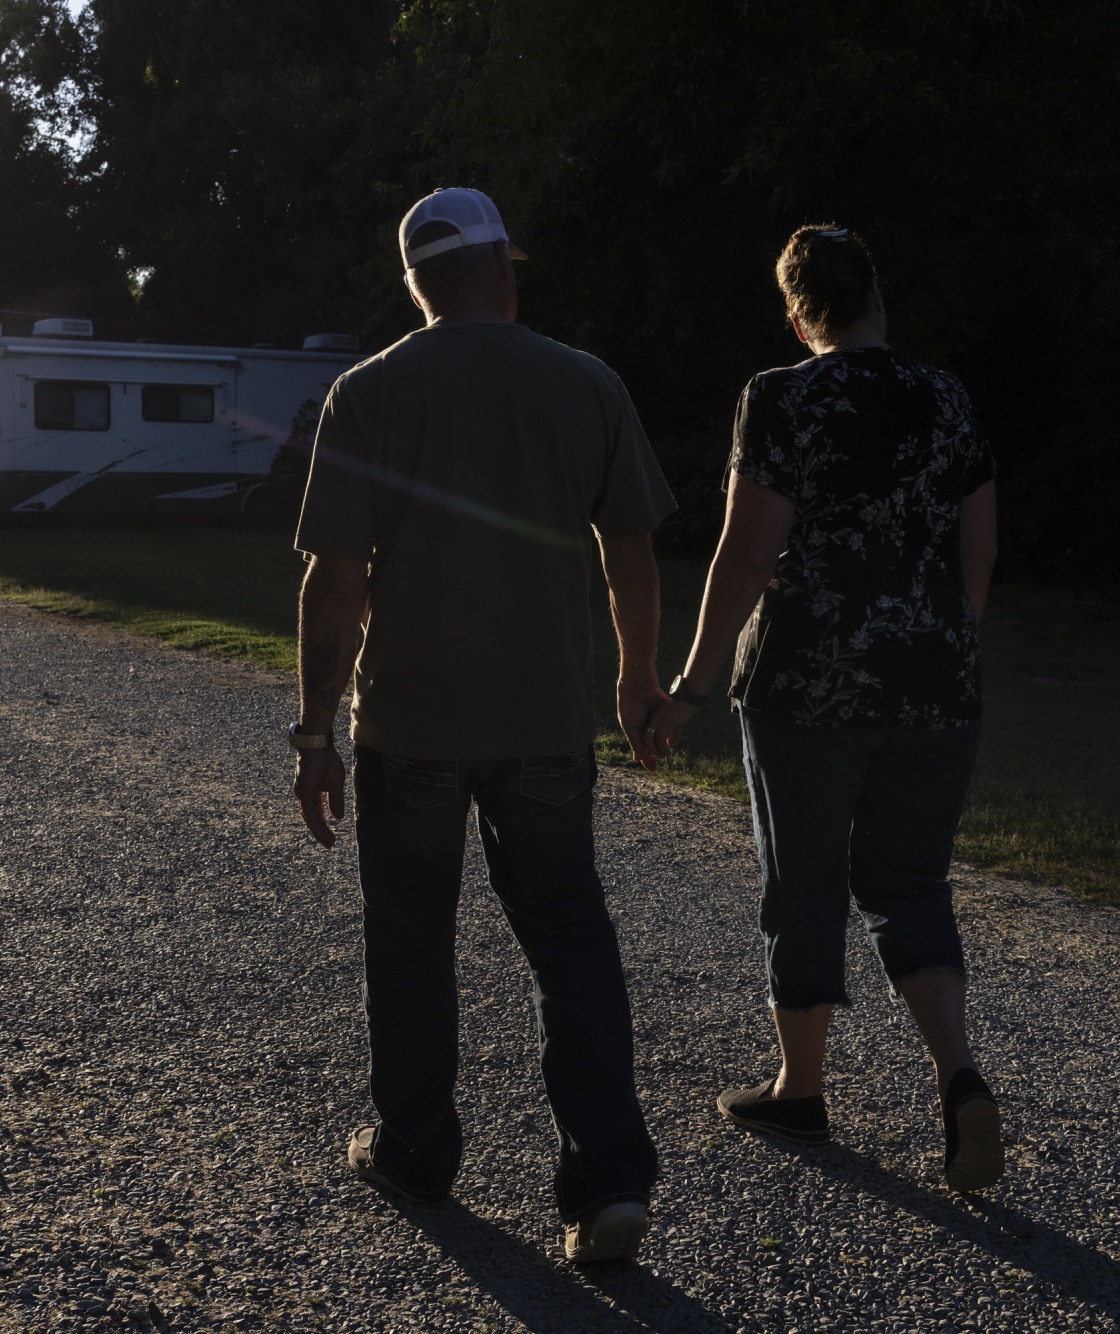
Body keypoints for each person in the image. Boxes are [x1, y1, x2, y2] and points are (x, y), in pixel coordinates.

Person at [289, 187, 675, 1259]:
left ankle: (415, 1146)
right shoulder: (586, 382)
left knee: (411, 939)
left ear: (416, 282)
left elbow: (335, 579)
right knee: (570, 940)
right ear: (502, 263)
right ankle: (605, 1183)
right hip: (545, 721)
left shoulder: (367, 391)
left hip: (409, 725)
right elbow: (631, 551)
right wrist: (637, 678)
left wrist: (315, 730)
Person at [647, 224, 1004, 1191]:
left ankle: (800, 1088)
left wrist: (689, 685)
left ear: (799, 312)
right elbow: (979, 549)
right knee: (909, 883)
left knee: (804, 880)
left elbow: (748, 554)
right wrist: (938, 645)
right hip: (938, 682)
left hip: (808, 685)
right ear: (876, 295)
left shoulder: (782, 397)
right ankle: (959, 1077)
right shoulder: (947, 396)